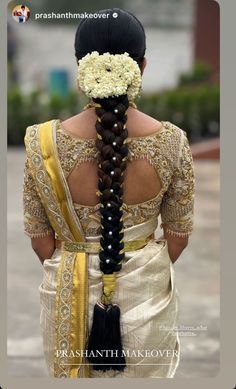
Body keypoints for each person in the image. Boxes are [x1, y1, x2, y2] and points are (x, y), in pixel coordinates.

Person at [22, 8, 195, 378]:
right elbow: (178, 237)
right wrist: (136, 271)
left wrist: (76, 266)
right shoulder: (173, 142)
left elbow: (40, 240)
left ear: (81, 68)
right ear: (142, 66)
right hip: (146, 299)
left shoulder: (41, 142)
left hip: (68, 291)